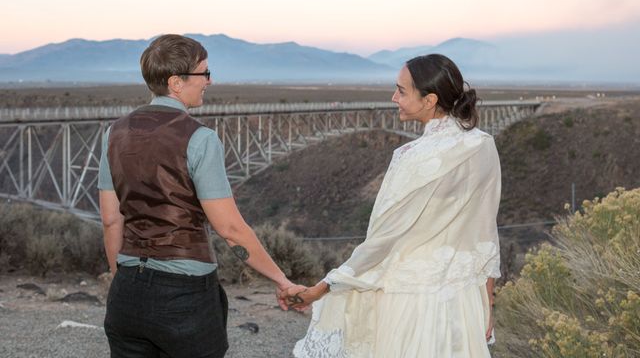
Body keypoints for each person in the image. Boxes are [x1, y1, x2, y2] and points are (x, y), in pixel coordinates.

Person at [284, 54, 501, 357]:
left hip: (410, 305)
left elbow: (382, 242)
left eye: (401, 90)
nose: (393, 97)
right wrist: (487, 303)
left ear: (429, 100)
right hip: (462, 302)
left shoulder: (410, 157)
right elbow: (485, 234)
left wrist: (323, 287)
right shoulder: (483, 145)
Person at [98, 34, 302, 358]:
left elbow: (111, 220)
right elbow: (231, 230)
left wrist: (120, 281)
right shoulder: (200, 138)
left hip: (127, 293)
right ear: (176, 82)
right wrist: (281, 280)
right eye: (204, 73)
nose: (209, 80)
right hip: (184, 298)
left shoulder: (114, 133)